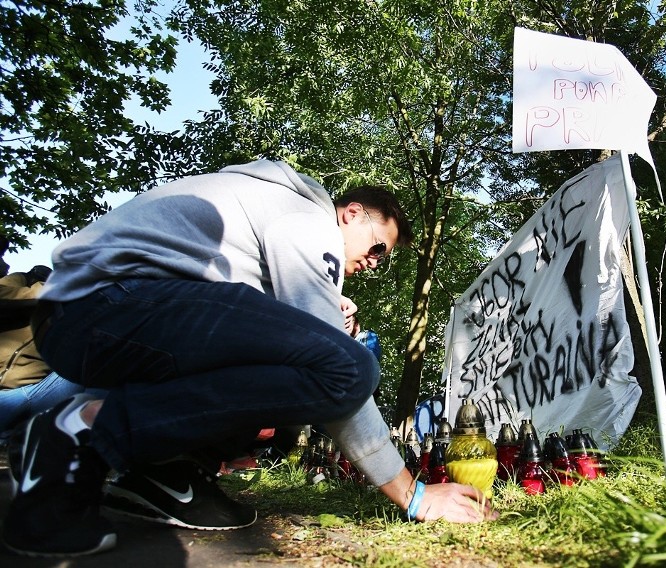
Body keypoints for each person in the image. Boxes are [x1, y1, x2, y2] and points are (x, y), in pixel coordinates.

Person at [2, 159, 497, 558]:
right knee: (349, 366)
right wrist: (413, 493)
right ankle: (82, 431)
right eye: (377, 249)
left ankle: (162, 469)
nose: (372, 263)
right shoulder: (307, 217)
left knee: (303, 363)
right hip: (108, 304)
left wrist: (310, 321)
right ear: (350, 213)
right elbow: (338, 369)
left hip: (86, 314)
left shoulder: (262, 211)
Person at [0, 265, 84, 440]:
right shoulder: (18, 281)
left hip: (38, 392)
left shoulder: (69, 312)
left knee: (95, 368)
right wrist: (46, 289)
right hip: (5, 397)